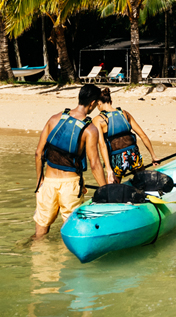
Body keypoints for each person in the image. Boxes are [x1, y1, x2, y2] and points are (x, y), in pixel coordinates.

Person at [31, 84, 112, 240]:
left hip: (47, 183)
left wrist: (39, 182)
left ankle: (36, 258)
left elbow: (38, 153)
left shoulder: (54, 119)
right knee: (71, 233)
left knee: (40, 233)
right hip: (70, 186)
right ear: (93, 103)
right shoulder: (90, 130)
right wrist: (106, 191)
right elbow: (94, 164)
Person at [94, 86, 157, 181]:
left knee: (113, 190)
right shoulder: (124, 113)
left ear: (98, 103)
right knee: (143, 183)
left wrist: (108, 169)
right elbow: (142, 135)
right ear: (111, 102)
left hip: (117, 158)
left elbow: (102, 145)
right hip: (133, 154)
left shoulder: (99, 120)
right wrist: (153, 156)